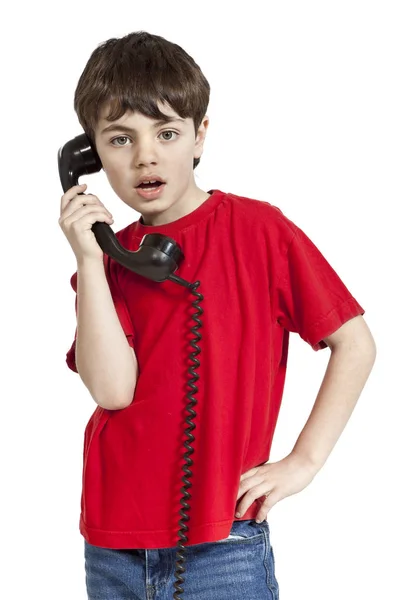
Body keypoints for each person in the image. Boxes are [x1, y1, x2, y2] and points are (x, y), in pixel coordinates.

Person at [59, 30, 376, 600]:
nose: (145, 155)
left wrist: (303, 461)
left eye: (168, 133)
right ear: (90, 154)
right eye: (119, 139)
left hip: (223, 541)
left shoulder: (258, 231)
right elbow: (112, 391)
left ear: (200, 135)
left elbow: (354, 342)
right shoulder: (106, 265)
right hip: (112, 543)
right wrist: (91, 256)